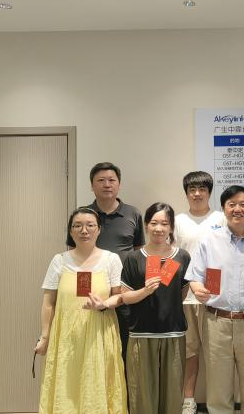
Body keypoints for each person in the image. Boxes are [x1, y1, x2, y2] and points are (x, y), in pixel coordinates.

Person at [186, 185, 244, 414]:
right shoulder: (209, 241)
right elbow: (195, 277)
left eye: (243, 204)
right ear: (224, 209)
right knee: (218, 387)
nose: (237, 209)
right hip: (216, 322)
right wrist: (198, 289)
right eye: (232, 204)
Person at [36, 207, 127, 414]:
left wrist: (104, 304)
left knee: (97, 382)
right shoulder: (59, 261)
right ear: (70, 231)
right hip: (66, 336)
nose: (84, 230)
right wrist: (44, 337)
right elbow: (48, 302)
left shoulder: (111, 259)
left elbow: (120, 296)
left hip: (99, 333)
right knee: (67, 384)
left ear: (99, 229)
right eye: (77, 226)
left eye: (90, 225)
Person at [120, 202, 191, 414]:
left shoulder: (182, 256)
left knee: (172, 394)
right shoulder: (133, 258)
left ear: (171, 227)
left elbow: (181, 294)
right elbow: (125, 297)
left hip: (173, 333)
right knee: (142, 394)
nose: (159, 228)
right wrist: (145, 291)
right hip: (141, 333)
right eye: (153, 223)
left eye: (164, 223)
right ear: (146, 225)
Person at [174, 171, 226, 414]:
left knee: (217, 352)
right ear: (186, 193)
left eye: (202, 189)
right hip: (185, 297)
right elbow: (172, 256)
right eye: (192, 190)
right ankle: (188, 399)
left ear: (209, 192)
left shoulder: (221, 218)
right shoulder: (178, 220)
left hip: (215, 297)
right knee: (190, 350)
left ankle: (219, 401)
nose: (197, 194)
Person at [87, 162, 146, 367]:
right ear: (92, 185)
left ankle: (123, 388)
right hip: (93, 291)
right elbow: (74, 252)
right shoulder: (84, 215)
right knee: (92, 347)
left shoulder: (133, 213)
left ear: (119, 184)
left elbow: (139, 252)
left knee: (124, 348)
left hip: (123, 291)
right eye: (101, 180)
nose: (107, 184)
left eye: (111, 180)